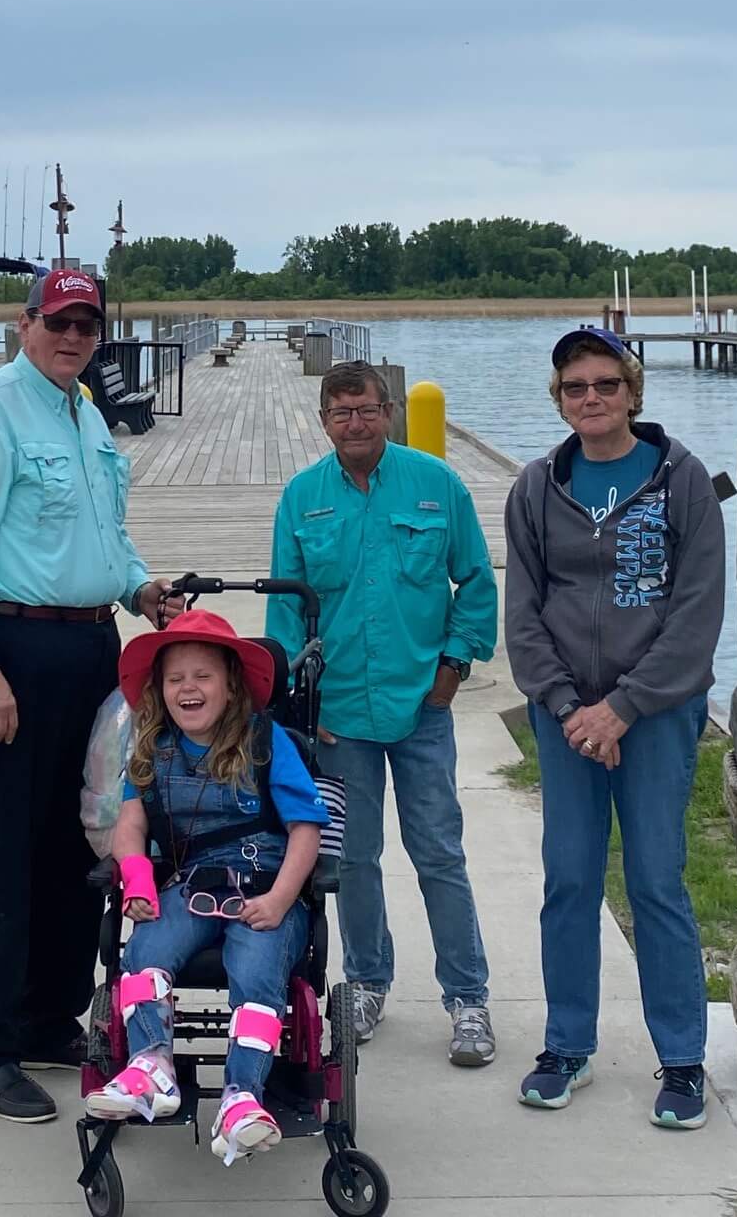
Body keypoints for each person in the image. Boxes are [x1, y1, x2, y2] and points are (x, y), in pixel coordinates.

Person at [0, 266, 179, 1125]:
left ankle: (48, 1017)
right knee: (1, 848)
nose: (73, 336)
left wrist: (139, 588)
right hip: (7, 648)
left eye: (87, 324)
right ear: (25, 322)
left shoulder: (83, 412)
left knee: (79, 843)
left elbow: (103, 530)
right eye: (58, 321)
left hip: (87, 643)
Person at [503, 325, 725, 1131]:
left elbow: (698, 614)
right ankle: (567, 1044)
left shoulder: (684, 482)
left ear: (632, 392)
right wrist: (569, 708)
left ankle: (683, 1058)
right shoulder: (534, 487)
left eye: (604, 384)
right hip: (566, 720)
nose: (589, 399)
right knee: (569, 878)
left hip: (656, 716)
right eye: (574, 388)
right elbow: (522, 615)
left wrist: (625, 706)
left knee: (657, 881)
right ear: (559, 399)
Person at [267, 359, 500, 1068]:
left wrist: (454, 666)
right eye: (341, 414)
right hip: (339, 716)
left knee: (439, 852)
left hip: (421, 708)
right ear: (324, 421)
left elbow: (477, 581)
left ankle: (467, 999)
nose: (356, 424)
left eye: (367, 410)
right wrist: (297, 705)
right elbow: (285, 607)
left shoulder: (438, 485)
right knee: (353, 857)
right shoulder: (301, 498)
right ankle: (367, 983)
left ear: (389, 410)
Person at [88, 609, 329, 1164]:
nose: (188, 688)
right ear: (159, 689)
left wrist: (282, 898)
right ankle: (152, 1066)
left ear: (231, 686)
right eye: (175, 679)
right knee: (145, 949)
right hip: (190, 887)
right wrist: (139, 877)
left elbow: (305, 829)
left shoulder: (268, 743)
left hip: (264, 890)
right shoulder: (153, 749)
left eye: (202, 676)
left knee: (257, 969)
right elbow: (131, 825)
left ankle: (242, 1096)